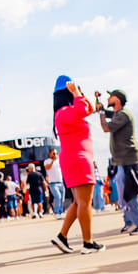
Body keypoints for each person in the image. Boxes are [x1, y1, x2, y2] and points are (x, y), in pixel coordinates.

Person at [50, 76, 105, 254]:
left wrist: (78, 92)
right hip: (79, 159)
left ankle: (62, 237)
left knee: (78, 202)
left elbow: (89, 109)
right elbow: (83, 108)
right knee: (85, 202)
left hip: (75, 158)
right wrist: (76, 92)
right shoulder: (65, 112)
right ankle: (88, 243)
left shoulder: (65, 112)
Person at [96, 89, 138, 234]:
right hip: (122, 161)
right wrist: (98, 103)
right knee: (122, 196)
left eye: (111, 97)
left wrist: (101, 113)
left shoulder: (123, 114)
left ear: (118, 99)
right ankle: (130, 222)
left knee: (130, 193)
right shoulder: (118, 114)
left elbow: (106, 127)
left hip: (129, 160)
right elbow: (102, 111)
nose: (108, 99)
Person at [43, 147, 64, 215]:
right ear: (50, 154)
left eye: (56, 153)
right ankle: (56, 212)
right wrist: (52, 161)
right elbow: (47, 167)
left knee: (62, 198)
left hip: (60, 181)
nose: (55, 154)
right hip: (53, 183)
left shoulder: (59, 161)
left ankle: (60, 212)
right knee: (57, 196)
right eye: (54, 153)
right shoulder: (47, 161)